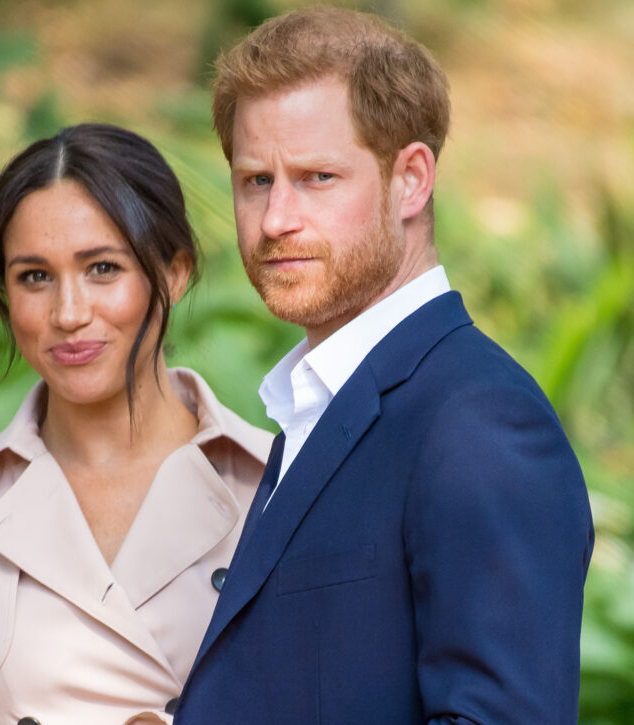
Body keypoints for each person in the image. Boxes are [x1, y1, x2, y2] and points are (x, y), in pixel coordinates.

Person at [174, 7, 594, 724]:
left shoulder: (478, 421)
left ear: (412, 180)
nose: (276, 220)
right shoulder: (320, 403)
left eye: (317, 177)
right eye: (255, 181)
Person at [0, 123, 272, 725]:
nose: (69, 314)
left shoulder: (285, 488)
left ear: (174, 273)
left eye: (102, 269)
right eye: (34, 277)